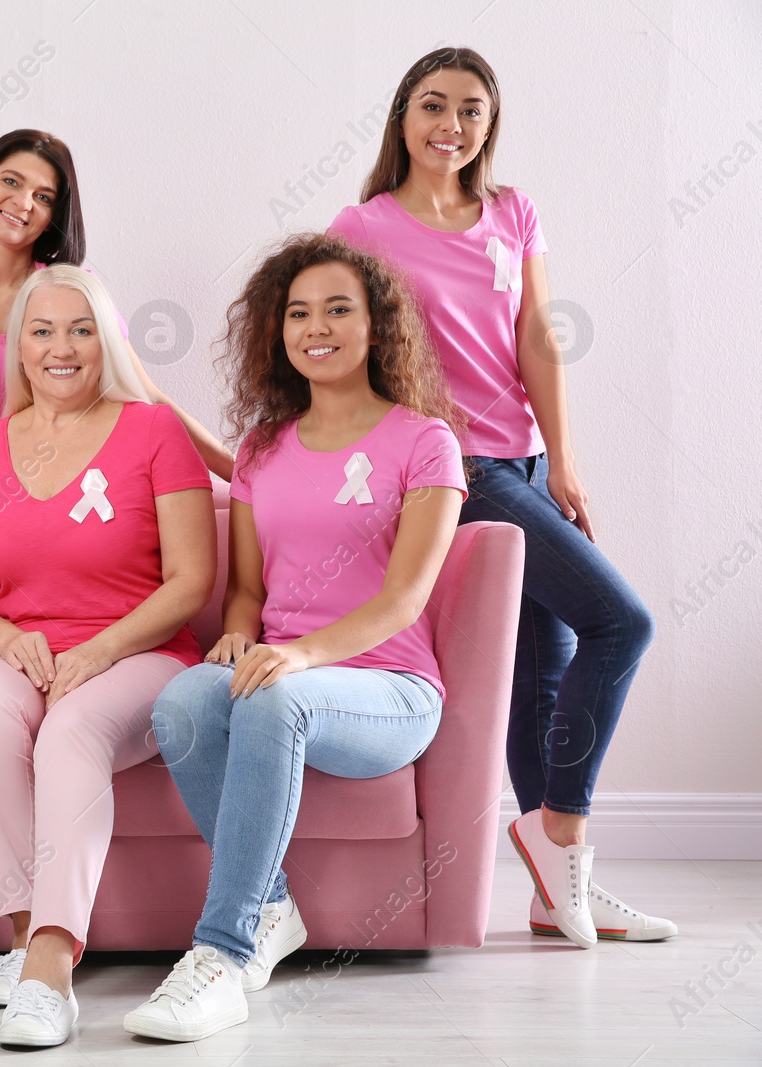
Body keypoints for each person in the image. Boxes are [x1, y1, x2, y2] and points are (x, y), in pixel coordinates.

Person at [329, 46, 669, 948]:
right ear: (403, 116)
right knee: (621, 622)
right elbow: (344, 353)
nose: (452, 125)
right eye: (434, 106)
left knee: (543, 674)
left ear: (490, 124)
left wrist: (564, 460)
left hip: (520, 465)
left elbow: (538, 341)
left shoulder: (514, 213)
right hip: (456, 472)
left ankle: (558, 889)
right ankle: (561, 836)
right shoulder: (362, 226)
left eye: (472, 110)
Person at [125, 234, 468, 1041]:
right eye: (299, 312)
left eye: (339, 308)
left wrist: (301, 656)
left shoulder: (426, 442)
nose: (317, 326)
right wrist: (238, 640)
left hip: (387, 687)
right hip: (280, 672)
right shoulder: (260, 448)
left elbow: (404, 596)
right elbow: (245, 590)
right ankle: (272, 903)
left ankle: (221, 953)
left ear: (378, 327)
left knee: (276, 700)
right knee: (180, 701)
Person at [0, 266, 215, 1047]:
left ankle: (54, 968)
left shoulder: (152, 429)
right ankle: (34, 938)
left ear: (108, 342)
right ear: (19, 349)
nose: (61, 347)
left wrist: (99, 649)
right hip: (29, 650)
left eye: (81, 329)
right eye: (42, 331)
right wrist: (1, 638)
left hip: (143, 652)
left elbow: (191, 578)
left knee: (69, 730)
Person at [0, 128, 235, 478]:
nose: (24, 202)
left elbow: (144, 394)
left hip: (49, 492)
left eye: (43, 197)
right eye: (12, 181)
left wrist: (241, 475)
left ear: (51, 221)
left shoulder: (73, 290)